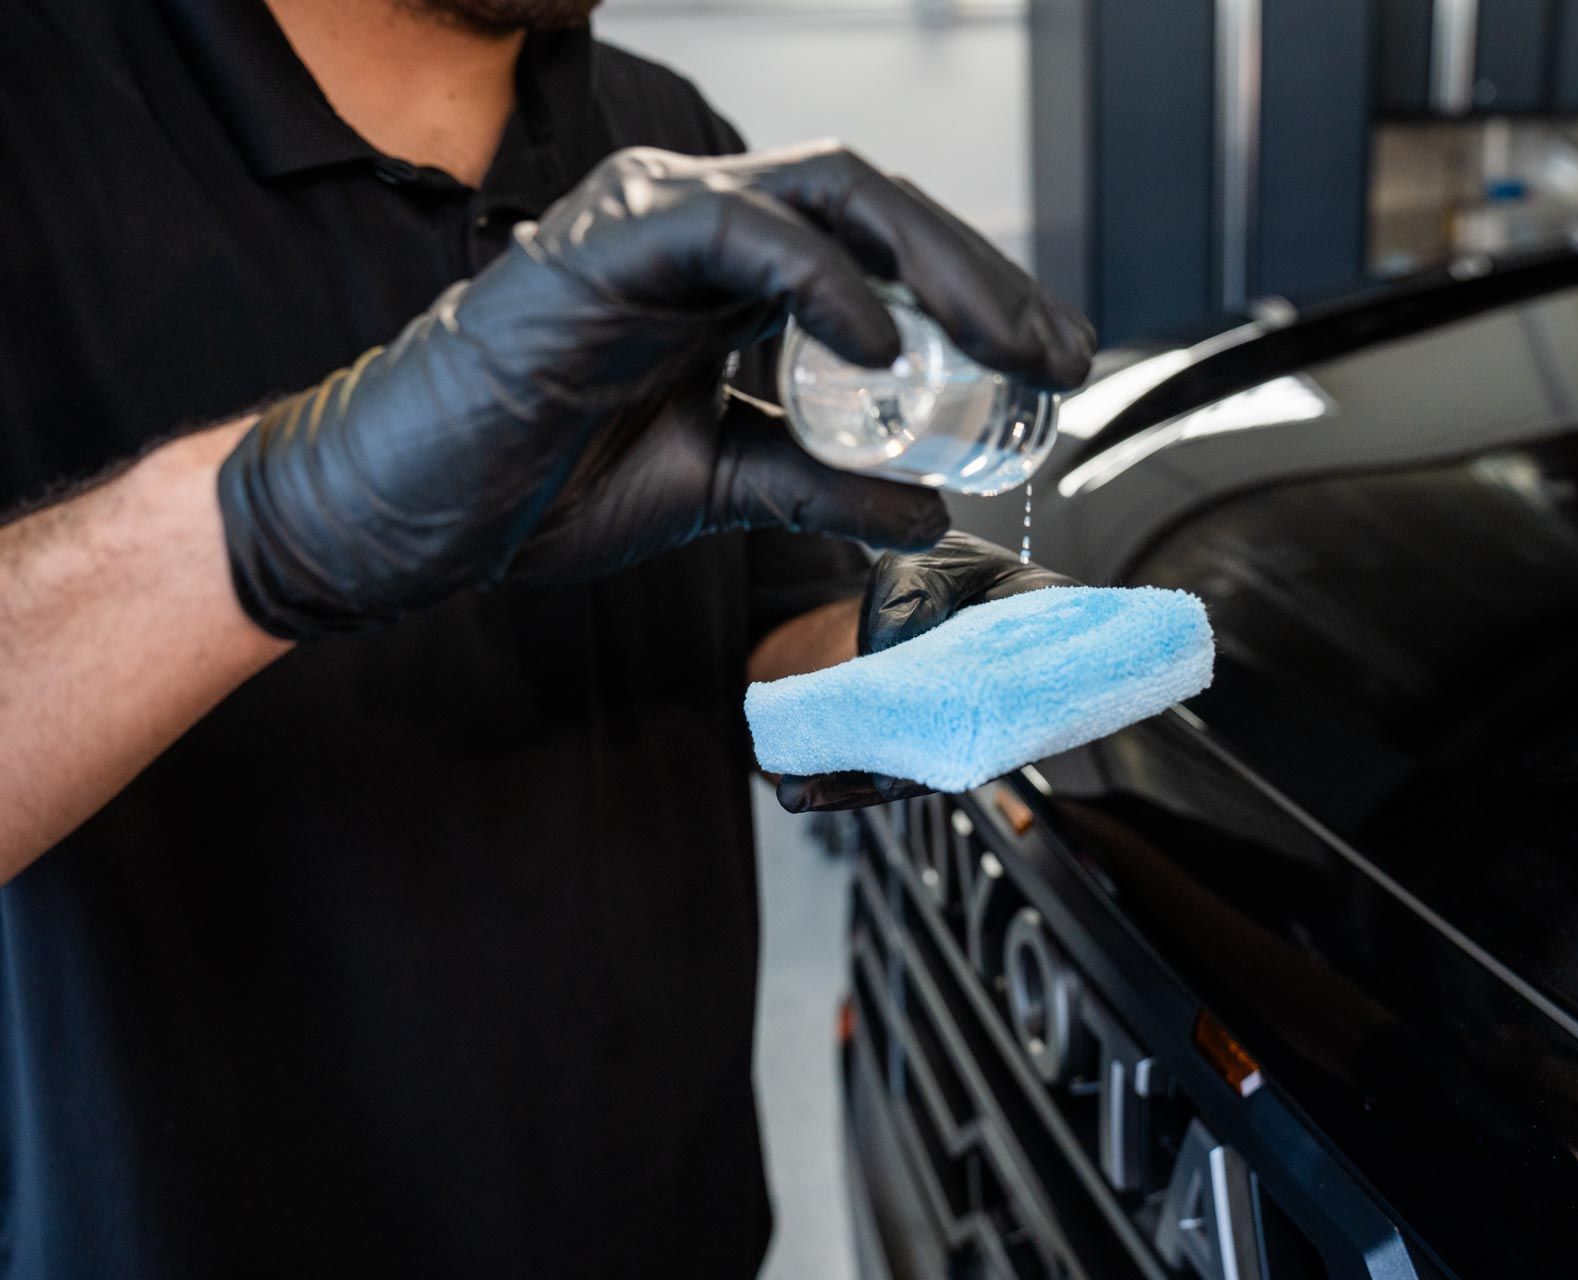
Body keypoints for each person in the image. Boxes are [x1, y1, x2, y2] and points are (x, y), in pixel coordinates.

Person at [0, 0, 1091, 1274]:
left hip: (668, 1214)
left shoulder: (668, 138)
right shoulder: (38, 112)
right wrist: (270, 525)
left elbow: (767, 638)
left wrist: (904, 660)